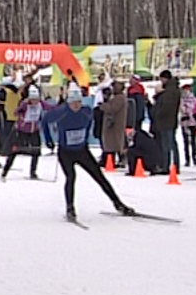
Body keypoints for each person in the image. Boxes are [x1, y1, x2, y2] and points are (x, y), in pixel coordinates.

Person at [40, 88, 135, 223]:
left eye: (79, 102)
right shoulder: (61, 112)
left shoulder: (86, 111)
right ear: (68, 103)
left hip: (82, 150)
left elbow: (91, 120)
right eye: (73, 103)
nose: (76, 106)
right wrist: (49, 139)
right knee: (71, 177)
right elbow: (45, 121)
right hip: (65, 152)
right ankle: (70, 208)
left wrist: (87, 136)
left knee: (99, 176)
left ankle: (118, 204)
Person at [2, 86, 48, 180]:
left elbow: (50, 108)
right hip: (22, 131)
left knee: (36, 151)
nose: (35, 102)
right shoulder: (25, 104)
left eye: (36, 99)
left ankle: (33, 172)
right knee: (15, 151)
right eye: (33, 99)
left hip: (34, 131)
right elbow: (16, 112)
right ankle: (5, 171)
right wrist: (19, 111)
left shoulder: (40, 103)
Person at [152, 70, 181, 171]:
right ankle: (174, 165)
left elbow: (166, 107)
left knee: (167, 145)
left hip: (166, 121)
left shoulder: (169, 91)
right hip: (170, 120)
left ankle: (167, 166)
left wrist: (158, 114)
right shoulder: (172, 90)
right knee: (171, 143)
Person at [99, 81, 127, 169]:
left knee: (115, 143)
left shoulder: (119, 98)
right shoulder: (118, 97)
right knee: (114, 143)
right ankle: (113, 159)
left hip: (115, 125)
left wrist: (103, 106)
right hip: (114, 124)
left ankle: (116, 160)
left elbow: (113, 108)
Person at [179, 83, 196, 168]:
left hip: (193, 122)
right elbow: (181, 109)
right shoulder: (181, 100)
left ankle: (194, 157)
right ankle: (187, 158)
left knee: (193, 141)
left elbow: (195, 110)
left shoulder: (194, 100)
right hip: (185, 122)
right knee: (185, 141)